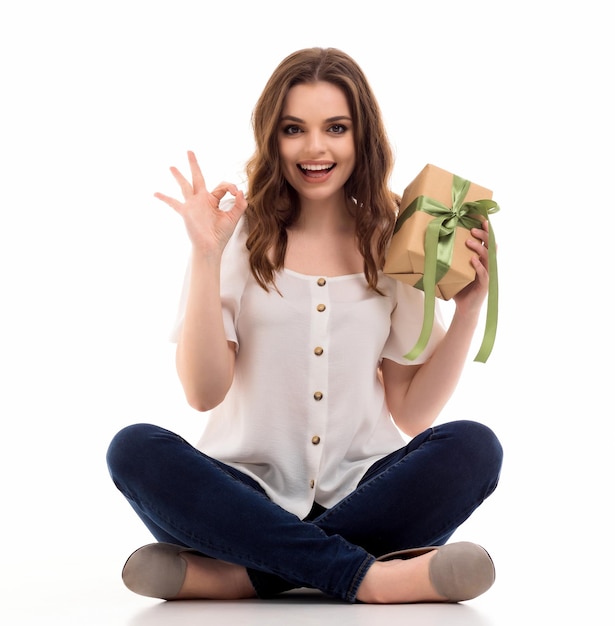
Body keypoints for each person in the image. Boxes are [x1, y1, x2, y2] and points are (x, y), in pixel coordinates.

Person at [106, 47, 503, 605]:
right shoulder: (236, 235)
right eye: (295, 129)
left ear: (361, 137)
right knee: (134, 449)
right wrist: (205, 255)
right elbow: (202, 393)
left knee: (475, 447)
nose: (315, 148)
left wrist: (467, 312)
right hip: (241, 495)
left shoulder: (394, 238)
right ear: (274, 139)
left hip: (364, 493)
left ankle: (242, 575)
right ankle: (373, 579)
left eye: (335, 128)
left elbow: (413, 413)